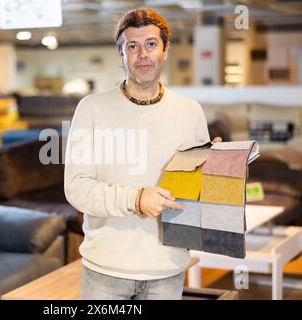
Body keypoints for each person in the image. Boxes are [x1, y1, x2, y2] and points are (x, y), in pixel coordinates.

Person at [64, 8, 221, 300]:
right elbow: (77, 189)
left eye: (151, 44)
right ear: (120, 54)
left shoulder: (190, 112)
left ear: (165, 49)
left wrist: (222, 168)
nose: (142, 54)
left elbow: (195, 194)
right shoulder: (92, 109)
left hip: (167, 270)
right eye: (132, 46)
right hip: (105, 273)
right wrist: (136, 199)